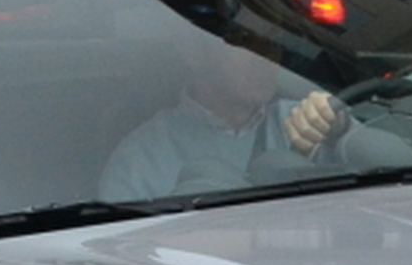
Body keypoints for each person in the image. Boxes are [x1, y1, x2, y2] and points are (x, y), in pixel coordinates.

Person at [99, 34, 348, 201]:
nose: (265, 60)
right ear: (194, 54)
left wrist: (340, 131)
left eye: (271, 44)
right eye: (244, 43)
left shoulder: (303, 118)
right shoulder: (144, 155)